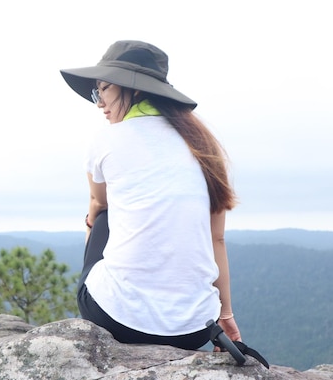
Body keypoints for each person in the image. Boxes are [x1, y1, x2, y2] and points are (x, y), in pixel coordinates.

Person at [59, 40, 241, 350]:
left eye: (102, 89)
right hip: (196, 330)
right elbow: (217, 239)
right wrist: (225, 314)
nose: (99, 101)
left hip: (113, 317)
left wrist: (92, 223)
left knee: (103, 214)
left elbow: (98, 204)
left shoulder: (106, 139)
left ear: (135, 88)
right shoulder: (204, 147)